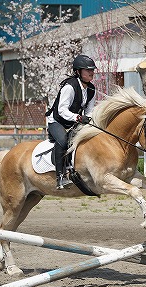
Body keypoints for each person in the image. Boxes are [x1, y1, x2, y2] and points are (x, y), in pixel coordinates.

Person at [45, 54, 97, 189]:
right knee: (63, 141)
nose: (92, 72)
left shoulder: (91, 89)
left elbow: (89, 110)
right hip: (57, 121)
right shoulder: (69, 86)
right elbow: (62, 110)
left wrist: (89, 119)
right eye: (88, 70)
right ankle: (60, 177)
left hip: (73, 122)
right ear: (78, 72)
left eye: (92, 70)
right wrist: (79, 118)